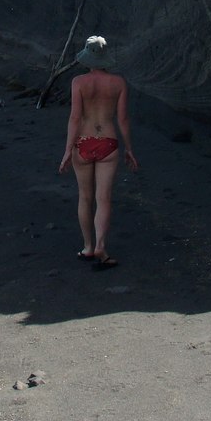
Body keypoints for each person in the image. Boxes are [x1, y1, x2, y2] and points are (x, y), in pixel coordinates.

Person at [58, 34, 139, 270]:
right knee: (103, 199)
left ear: (86, 57)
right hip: (108, 143)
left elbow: (75, 118)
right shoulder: (118, 83)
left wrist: (67, 150)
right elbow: (123, 119)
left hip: (83, 142)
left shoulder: (78, 82)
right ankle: (102, 246)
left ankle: (88, 247)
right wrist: (129, 148)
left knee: (85, 197)